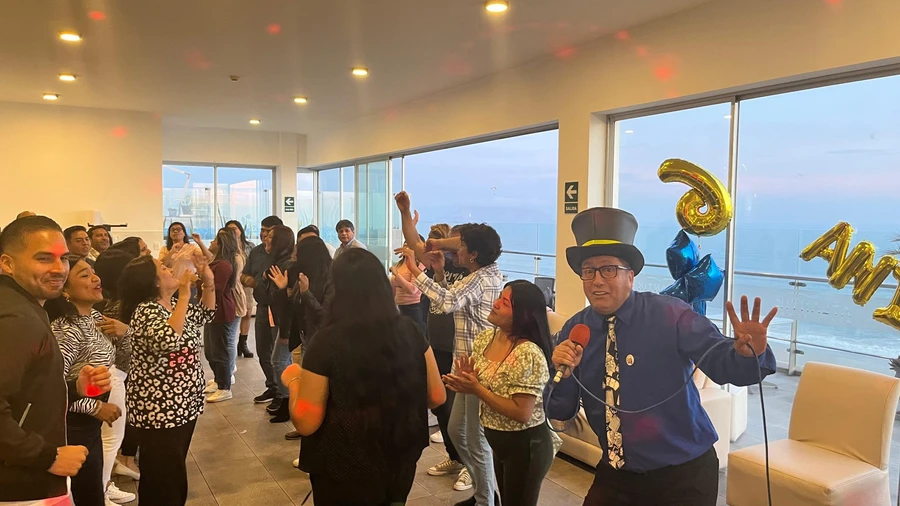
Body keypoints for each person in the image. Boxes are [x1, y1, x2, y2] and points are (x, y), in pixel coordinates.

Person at [547, 207, 778, 506]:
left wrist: (749, 353)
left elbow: (724, 364)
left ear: (630, 276)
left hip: (682, 475)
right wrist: (563, 376)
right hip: (616, 472)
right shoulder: (576, 329)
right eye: (588, 271)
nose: (597, 280)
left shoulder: (670, 314)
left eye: (609, 269)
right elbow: (560, 411)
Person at [280, 248, 445, 504]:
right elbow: (436, 396)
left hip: (343, 467)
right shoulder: (410, 331)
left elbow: (306, 421)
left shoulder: (326, 342)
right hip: (399, 458)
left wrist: (294, 381)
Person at [395, 191, 503, 506]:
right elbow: (452, 298)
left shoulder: (482, 278)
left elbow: (446, 301)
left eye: (462, 246)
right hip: (464, 363)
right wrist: (438, 271)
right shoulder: (478, 274)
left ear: (473, 254)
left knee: (475, 439)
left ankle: (486, 499)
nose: (458, 250)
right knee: (457, 430)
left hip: (478, 368)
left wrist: (417, 272)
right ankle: (483, 490)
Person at [0, 215, 112, 504]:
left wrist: (73, 387)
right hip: (20, 485)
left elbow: (23, 391)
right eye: (43, 258)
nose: (58, 268)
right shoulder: (16, 318)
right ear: (7, 264)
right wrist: (46, 456)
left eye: (63, 258)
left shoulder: (26, 308)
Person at [443, 280, 558, 506]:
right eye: (499, 298)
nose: (495, 304)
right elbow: (490, 383)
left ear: (523, 315)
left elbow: (522, 413)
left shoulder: (528, 353)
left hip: (526, 445)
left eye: (505, 303)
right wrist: (469, 379)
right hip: (499, 441)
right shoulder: (487, 338)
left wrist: (476, 389)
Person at [119, 253, 215, 506]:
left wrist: (208, 282)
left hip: (183, 403)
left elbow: (205, 314)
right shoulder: (145, 311)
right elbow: (168, 340)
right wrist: (184, 295)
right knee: (163, 476)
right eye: (163, 268)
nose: (170, 269)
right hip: (160, 408)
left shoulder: (171, 305)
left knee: (173, 468)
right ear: (153, 281)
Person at [45, 258, 132, 506]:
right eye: (84, 275)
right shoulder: (66, 329)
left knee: (92, 489)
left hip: (90, 425)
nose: (96, 278)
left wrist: (125, 333)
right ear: (65, 290)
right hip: (73, 425)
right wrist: (94, 407)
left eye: (94, 272)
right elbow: (52, 387)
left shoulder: (94, 318)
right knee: (84, 493)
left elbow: (122, 362)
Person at [420, 224, 472, 488]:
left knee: (460, 413)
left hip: (461, 351)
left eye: (457, 243)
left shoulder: (473, 273)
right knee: (440, 406)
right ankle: (455, 457)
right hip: (438, 345)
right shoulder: (443, 264)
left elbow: (450, 301)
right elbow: (440, 294)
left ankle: (471, 465)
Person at [92, 249, 142, 487]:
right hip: (118, 373)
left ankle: (108, 479)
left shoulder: (112, 304)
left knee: (114, 434)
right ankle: (103, 486)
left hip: (120, 373)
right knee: (111, 437)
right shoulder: (118, 308)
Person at [241, 216, 283, 404]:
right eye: (262, 230)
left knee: (280, 354)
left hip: (279, 309)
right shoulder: (256, 252)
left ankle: (283, 393)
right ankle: (272, 387)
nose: (264, 234)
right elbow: (244, 276)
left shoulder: (285, 253)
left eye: (268, 231)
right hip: (263, 307)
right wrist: (248, 280)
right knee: (263, 350)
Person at [263, 225, 296, 423]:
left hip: (286, 322)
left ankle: (288, 401)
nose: (266, 239)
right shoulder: (275, 262)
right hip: (277, 317)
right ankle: (286, 400)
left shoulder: (287, 265)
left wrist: (285, 331)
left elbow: (286, 301)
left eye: (270, 237)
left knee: (279, 361)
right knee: (283, 361)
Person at [203, 229, 240, 403]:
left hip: (221, 311)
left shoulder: (224, 265)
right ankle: (218, 380)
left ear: (221, 244)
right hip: (212, 310)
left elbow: (216, 288)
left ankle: (225, 387)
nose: (211, 242)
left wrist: (200, 281)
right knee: (211, 350)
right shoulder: (216, 262)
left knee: (221, 351)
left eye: (214, 240)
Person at [223, 220, 254, 358]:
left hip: (246, 283)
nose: (233, 231)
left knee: (247, 313)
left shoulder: (249, 246)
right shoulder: (225, 247)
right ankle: (231, 341)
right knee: (234, 313)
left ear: (241, 230)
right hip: (233, 284)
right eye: (229, 229)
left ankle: (243, 342)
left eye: (235, 228)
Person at [390, 241, 426, 332]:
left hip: (413, 307)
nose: (405, 247)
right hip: (400, 306)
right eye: (404, 244)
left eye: (408, 245)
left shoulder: (419, 265)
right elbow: (393, 285)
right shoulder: (400, 264)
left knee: (416, 335)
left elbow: (412, 290)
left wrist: (397, 275)